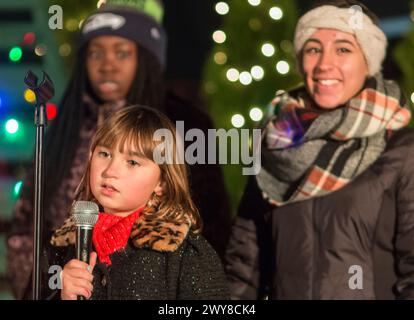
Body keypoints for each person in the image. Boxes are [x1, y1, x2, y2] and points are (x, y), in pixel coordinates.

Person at [7, 0, 231, 299]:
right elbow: (28, 218)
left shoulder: (184, 124)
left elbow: (213, 223)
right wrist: (42, 284)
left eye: (121, 53)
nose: (107, 64)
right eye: (96, 53)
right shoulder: (65, 124)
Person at [225, 0, 414, 300]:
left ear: (368, 61)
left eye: (343, 49)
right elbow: (243, 266)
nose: (325, 63)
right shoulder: (274, 143)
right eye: (313, 49)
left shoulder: (402, 150)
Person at [43, 105, 229, 300]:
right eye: (105, 154)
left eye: (132, 162)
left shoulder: (185, 255)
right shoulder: (61, 248)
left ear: (162, 182)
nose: (110, 171)